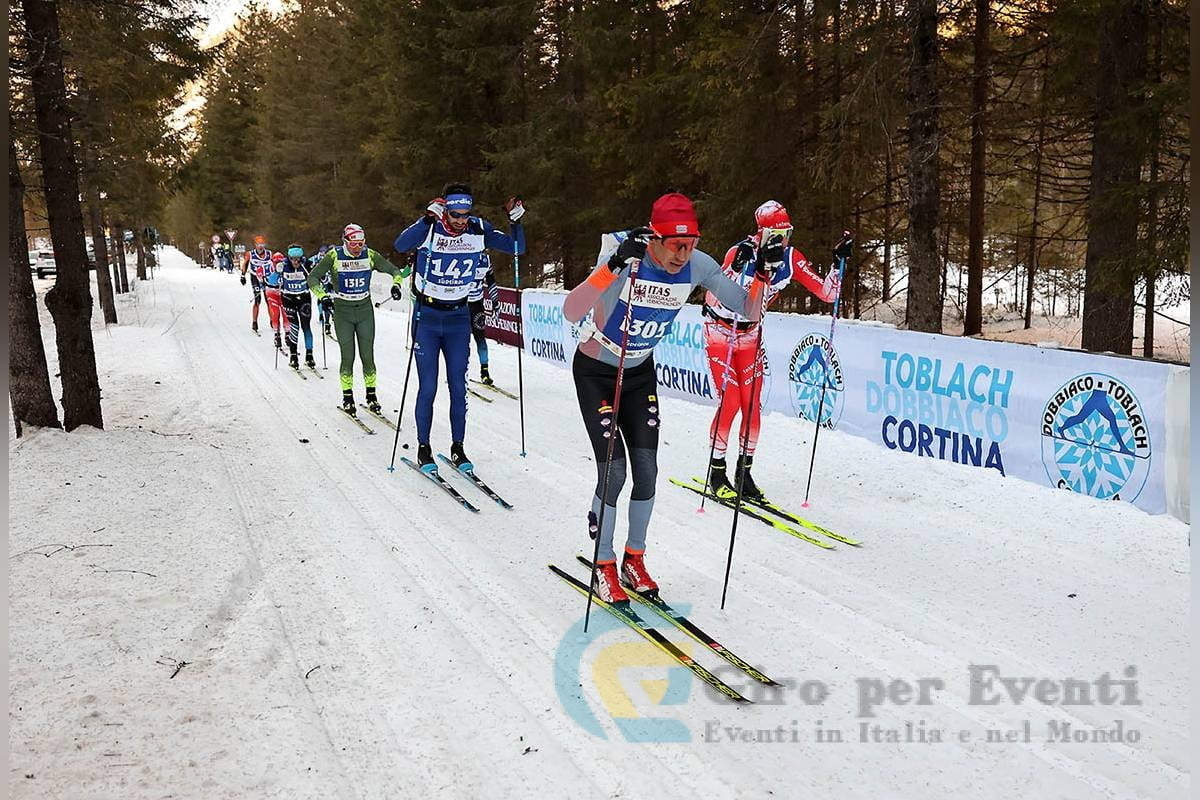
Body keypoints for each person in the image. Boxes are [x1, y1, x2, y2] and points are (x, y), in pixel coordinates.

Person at [562, 192, 770, 604]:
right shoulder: (628, 259)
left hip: (638, 374)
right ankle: (602, 564)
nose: (683, 255)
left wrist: (762, 276)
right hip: (597, 373)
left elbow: (748, 309)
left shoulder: (697, 264)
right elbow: (572, 310)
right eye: (676, 245)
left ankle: (633, 560)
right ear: (654, 237)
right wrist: (614, 265)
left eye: (690, 244)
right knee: (614, 472)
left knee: (647, 470)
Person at [703, 201, 846, 501]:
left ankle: (744, 473)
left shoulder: (791, 258)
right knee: (730, 401)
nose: (783, 239)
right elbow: (717, 294)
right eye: (777, 233)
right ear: (762, 233)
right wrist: (738, 269)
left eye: (787, 232)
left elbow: (827, 293)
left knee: (752, 404)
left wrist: (838, 265)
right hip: (720, 331)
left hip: (750, 335)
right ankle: (716, 472)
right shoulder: (740, 251)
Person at [392, 183, 526, 472]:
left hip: (458, 318)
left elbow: (517, 248)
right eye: (455, 214)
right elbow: (401, 245)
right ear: (445, 211)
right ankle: (424, 447)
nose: (461, 220)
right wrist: (427, 218)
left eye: (465, 214)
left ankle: (458, 447)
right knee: (427, 386)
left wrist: (516, 222)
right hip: (427, 316)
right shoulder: (430, 228)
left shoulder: (478, 229)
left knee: (458, 386)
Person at [307, 224, 409, 415]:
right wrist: (323, 296)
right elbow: (313, 278)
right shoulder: (334, 256)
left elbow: (395, 271)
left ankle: (371, 396)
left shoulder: (369, 255)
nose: (357, 248)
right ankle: (348, 397)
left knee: (367, 356)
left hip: (364, 310)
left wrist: (396, 285)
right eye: (353, 244)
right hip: (343, 311)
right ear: (345, 241)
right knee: (348, 357)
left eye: (361, 243)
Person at [280, 244, 316, 370]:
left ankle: (309, 356)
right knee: (294, 327)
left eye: (298, 258)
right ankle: (294, 357)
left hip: (304, 298)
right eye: (292, 258)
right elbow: (271, 280)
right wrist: (276, 271)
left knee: (306, 326)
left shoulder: (307, 264)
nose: (295, 261)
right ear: (288, 257)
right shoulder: (283, 265)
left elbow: (317, 279)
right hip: (288, 299)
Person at [467, 252, 499, 385]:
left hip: (477, 305)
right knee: (461, 341)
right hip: (460, 305)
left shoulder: (486, 259)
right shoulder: (464, 252)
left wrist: (495, 301)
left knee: (480, 338)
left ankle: (485, 372)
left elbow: (491, 281)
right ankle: (460, 372)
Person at [240, 235, 272, 334]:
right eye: (258, 244)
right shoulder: (250, 254)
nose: (260, 247)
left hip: (266, 278)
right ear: (255, 245)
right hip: (255, 278)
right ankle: (254, 322)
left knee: (269, 300)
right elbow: (245, 264)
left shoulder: (270, 254)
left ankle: (272, 320)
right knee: (257, 300)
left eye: (262, 244)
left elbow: (275, 264)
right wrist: (243, 275)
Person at [264, 252, 286, 350]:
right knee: (275, 313)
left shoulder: (286, 268)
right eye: (276, 262)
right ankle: (277, 335)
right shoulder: (267, 267)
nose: (278, 264)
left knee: (286, 313)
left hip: (284, 293)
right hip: (272, 293)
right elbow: (263, 277)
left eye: (280, 261)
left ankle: (288, 334)